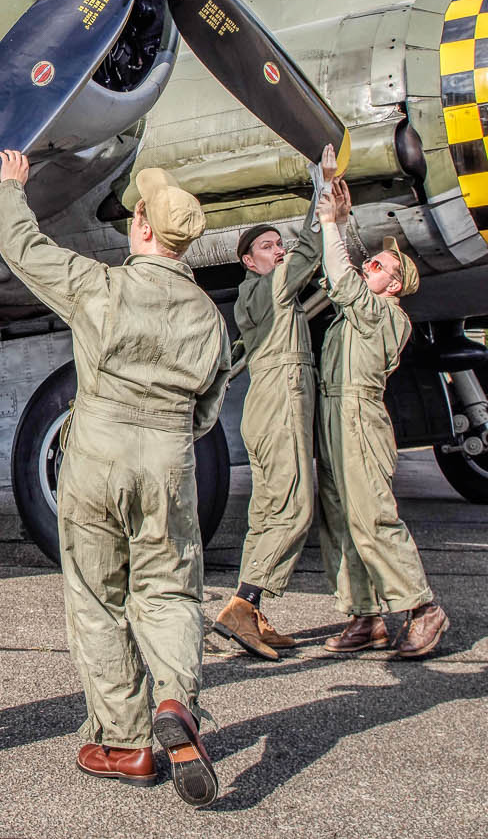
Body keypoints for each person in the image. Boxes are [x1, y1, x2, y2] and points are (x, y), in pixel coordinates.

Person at [0, 151, 233, 806]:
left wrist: (11, 188)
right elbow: (208, 411)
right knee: (171, 593)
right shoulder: (210, 320)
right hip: (167, 460)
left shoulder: (101, 285)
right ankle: (177, 701)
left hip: (94, 456)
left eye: (137, 213)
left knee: (98, 601)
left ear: (146, 233)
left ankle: (123, 744)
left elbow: (22, 247)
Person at [311, 177, 448, 659]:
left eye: (380, 264)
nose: (370, 263)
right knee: (340, 520)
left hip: (358, 418)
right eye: (372, 258)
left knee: (372, 517)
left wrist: (330, 225)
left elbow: (344, 280)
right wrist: (344, 223)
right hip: (332, 415)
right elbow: (343, 276)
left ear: (393, 285)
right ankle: (365, 616)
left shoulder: (386, 315)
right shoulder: (359, 313)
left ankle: (421, 608)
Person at [211, 152, 331, 661]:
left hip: (270, 403)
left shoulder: (266, 295)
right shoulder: (266, 289)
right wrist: (320, 196)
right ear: (248, 260)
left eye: (278, 244)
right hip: (280, 401)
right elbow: (309, 254)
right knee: (296, 507)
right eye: (266, 246)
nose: (278, 251)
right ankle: (244, 603)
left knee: (267, 513)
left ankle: (252, 612)